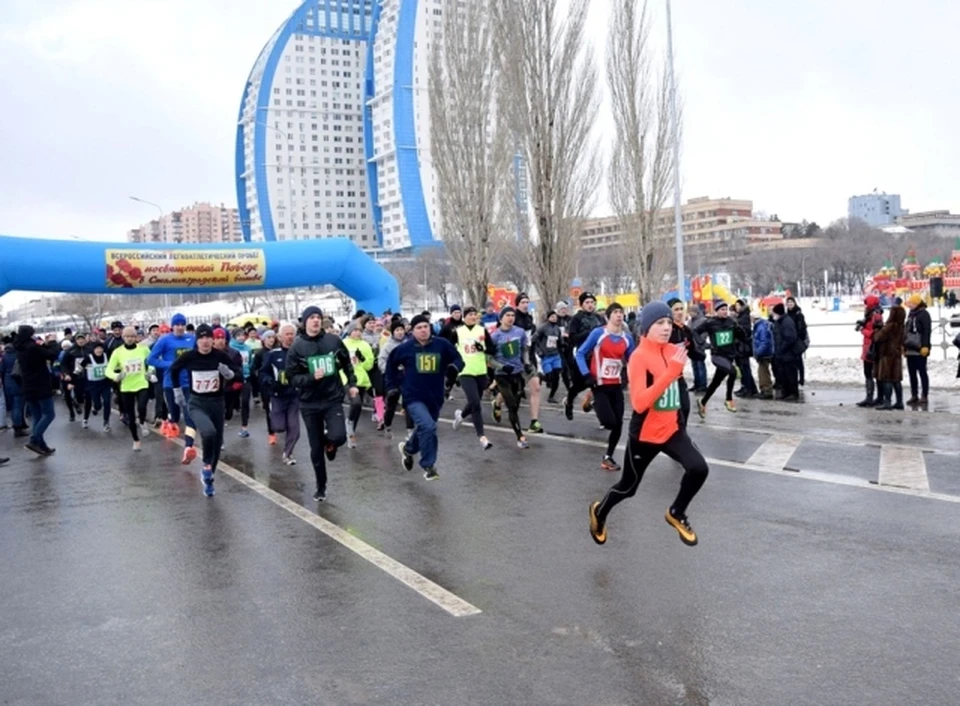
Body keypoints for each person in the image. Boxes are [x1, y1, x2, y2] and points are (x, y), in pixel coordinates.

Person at [588, 302, 709, 547]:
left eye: (668, 322)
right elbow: (641, 403)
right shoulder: (639, 358)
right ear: (646, 328)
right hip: (645, 434)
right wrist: (671, 372)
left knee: (699, 468)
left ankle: (676, 512)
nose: (666, 328)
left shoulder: (670, 351)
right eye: (659, 323)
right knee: (628, 488)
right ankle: (599, 512)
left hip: (672, 429)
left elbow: (674, 391)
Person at [286, 306, 357, 502]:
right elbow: (292, 377)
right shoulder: (297, 347)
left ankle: (331, 443)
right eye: (312, 318)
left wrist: (351, 384)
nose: (316, 321)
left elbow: (346, 363)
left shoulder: (333, 341)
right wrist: (310, 377)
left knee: (340, 436)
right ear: (305, 322)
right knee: (315, 449)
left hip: (332, 398)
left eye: (318, 317)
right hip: (309, 403)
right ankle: (321, 486)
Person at [385, 314, 464, 479]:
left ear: (430, 328)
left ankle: (408, 449)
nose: (423, 330)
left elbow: (458, 359)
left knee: (424, 428)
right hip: (413, 396)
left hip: (435, 396)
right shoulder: (404, 348)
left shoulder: (441, 345)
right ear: (412, 331)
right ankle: (429, 466)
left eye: (426, 326)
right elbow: (390, 366)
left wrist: (454, 368)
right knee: (428, 427)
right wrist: (392, 387)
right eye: (419, 328)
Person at [169, 324, 243, 496]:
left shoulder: (220, 356)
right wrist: (177, 391)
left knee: (217, 443)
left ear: (213, 339)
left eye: (208, 337)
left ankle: (208, 476)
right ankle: (206, 465)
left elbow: (239, 373)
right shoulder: (190, 356)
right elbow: (174, 370)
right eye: (201, 338)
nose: (205, 341)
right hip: (197, 403)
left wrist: (230, 375)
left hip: (217, 403)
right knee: (208, 432)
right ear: (197, 340)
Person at [576, 303, 635, 471]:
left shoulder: (627, 338)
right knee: (608, 422)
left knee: (618, 424)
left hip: (616, 384)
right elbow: (580, 353)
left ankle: (608, 457)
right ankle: (593, 401)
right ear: (608, 316)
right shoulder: (598, 333)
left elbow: (633, 360)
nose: (619, 315)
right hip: (599, 384)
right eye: (615, 312)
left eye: (621, 312)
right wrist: (586, 374)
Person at [147, 314, 198, 463]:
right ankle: (169, 419)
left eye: (183, 324)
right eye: (177, 325)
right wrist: (170, 365)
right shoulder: (164, 340)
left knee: (189, 415)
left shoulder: (191, 339)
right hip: (171, 384)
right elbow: (150, 359)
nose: (180, 327)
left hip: (188, 383)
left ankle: (188, 447)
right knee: (175, 416)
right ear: (172, 326)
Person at [695, 300, 748, 416]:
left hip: (729, 356)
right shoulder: (710, 323)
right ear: (717, 311)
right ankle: (729, 399)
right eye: (722, 309)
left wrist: (740, 332)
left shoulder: (731, 322)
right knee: (733, 372)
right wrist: (703, 344)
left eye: (726, 309)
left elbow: (743, 336)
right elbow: (695, 332)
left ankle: (702, 402)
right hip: (717, 356)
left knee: (716, 382)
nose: (725, 312)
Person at [451, 306, 494, 450]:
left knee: (474, 402)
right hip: (465, 372)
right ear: (464, 317)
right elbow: (449, 349)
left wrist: (484, 349)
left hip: (480, 372)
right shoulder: (457, 332)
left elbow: (492, 349)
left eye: (475, 314)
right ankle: (482, 437)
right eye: (470, 314)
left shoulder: (482, 330)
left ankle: (460, 416)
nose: (473, 317)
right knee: (475, 402)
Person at [13, 325, 59, 455]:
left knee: (37, 416)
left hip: (27, 385)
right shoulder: (33, 347)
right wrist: (51, 342)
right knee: (49, 414)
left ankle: (41, 445)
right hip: (41, 385)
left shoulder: (20, 347)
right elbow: (52, 355)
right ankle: (34, 440)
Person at [260, 324, 301, 464]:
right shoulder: (273, 354)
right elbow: (263, 372)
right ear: (280, 337)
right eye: (287, 334)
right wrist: (270, 381)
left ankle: (288, 454)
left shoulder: (299, 352)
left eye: (292, 334)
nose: (290, 337)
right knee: (279, 427)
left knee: (294, 427)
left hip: (294, 396)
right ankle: (275, 422)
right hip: (277, 395)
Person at [105, 326, 151, 450]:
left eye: (132, 336)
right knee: (130, 415)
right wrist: (116, 376)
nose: (129, 339)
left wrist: (150, 372)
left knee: (142, 406)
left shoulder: (143, 349)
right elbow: (108, 370)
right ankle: (136, 440)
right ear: (123, 337)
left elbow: (151, 362)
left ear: (136, 337)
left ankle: (142, 422)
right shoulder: (118, 352)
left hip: (142, 383)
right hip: (126, 386)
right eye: (127, 336)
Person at [564, 291, 606, 420]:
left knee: (599, 384)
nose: (590, 305)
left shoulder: (599, 318)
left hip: (597, 357)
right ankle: (569, 402)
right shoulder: (577, 319)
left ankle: (599, 412)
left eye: (592, 302)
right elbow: (572, 339)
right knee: (578, 386)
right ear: (581, 304)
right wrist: (589, 333)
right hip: (582, 356)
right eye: (587, 302)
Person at [667, 298, 705, 426]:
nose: (679, 312)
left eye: (681, 309)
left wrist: (702, 356)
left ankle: (681, 435)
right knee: (668, 413)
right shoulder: (666, 330)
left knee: (685, 408)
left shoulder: (686, 331)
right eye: (676, 310)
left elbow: (690, 350)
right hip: (664, 378)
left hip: (678, 376)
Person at [512, 293, 544, 434]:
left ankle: (534, 422)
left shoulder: (530, 319)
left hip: (528, 358)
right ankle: (498, 402)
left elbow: (532, 339)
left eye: (527, 302)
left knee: (536, 387)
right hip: (514, 357)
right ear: (517, 304)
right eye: (523, 302)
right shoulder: (512, 317)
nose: (525, 304)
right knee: (514, 391)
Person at [342, 324, 375, 449]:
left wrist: (362, 358)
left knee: (358, 406)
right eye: (355, 330)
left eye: (359, 330)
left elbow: (369, 365)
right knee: (355, 403)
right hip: (347, 379)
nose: (357, 333)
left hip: (361, 380)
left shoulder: (365, 345)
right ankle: (349, 424)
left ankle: (351, 432)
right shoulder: (343, 343)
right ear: (349, 332)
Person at [873, 304, 905, 410]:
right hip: (896, 354)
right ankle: (899, 401)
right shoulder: (901, 326)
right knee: (896, 379)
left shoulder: (889, 326)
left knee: (887, 378)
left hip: (887, 354)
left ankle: (887, 401)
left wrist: (877, 330)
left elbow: (877, 338)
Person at [855, 296, 885, 407]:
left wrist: (863, 330)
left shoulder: (876, 315)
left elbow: (875, 333)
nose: (865, 306)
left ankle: (875, 397)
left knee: (873, 373)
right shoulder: (870, 314)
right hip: (868, 347)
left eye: (867, 304)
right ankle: (871, 396)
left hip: (872, 347)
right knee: (868, 373)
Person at [904, 294, 932, 406]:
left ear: (916, 303)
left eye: (911, 303)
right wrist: (904, 346)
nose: (909, 305)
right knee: (912, 373)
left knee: (922, 372)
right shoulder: (911, 314)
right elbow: (906, 330)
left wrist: (925, 346)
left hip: (920, 348)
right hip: (910, 347)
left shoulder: (924, 314)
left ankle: (924, 395)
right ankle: (914, 395)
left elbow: (927, 331)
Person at [532, 310, 564, 404]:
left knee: (556, 376)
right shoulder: (543, 327)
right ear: (548, 317)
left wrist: (563, 344)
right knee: (550, 377)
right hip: (546, 356)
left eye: (555, 317)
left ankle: (551, 396)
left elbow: (559, 341)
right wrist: (539, 351)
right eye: (552, 317)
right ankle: (541, 376)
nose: (554, 318)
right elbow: (534, 339)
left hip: (556, 355)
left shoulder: (557, 329)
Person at [227, 328, 254, 437]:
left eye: (243, 335)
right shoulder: (230, 348)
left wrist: (247, 370)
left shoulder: (248, 348)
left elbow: (250, 362)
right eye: (238, 335)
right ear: (234, 337)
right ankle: (226, 416)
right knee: (230, 403)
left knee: (245, 402)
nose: (241, 337)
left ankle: (244, 427)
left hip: (245, 377)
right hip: (233, 379)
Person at [771, 303, 801, 401]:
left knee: (791, 374)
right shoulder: (779, 322)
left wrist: (781, 349)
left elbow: (790, 338)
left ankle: (793, 393)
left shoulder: (786, 322)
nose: (772, 315)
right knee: (784, 374)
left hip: (788, 354)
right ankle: (787, 392)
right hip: (782, 354)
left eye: (774, 313)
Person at [80, 340, 112, 431]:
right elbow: (79, 368)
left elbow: (113, 366)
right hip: (93, 385)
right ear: (93, 350)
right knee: (98, 405)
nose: (99, 350)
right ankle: (95, 407)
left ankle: (106, 423)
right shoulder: (88, 358)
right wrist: (72, 378)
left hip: (105, 383)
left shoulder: (106, 356)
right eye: (97, 348)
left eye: (101, 348)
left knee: (107, 402)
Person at [2, 334, 26, 436]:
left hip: (7, 382)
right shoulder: (18, 355)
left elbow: (1, 370)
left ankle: (18, 423)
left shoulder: (4, 356)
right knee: (18, 405)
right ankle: (18, 427)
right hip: (17, 381)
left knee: (12, 406)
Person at [733, 299, 758, 398]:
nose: (737, 307)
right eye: (736, 306)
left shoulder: (744, 317)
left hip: (742, 347)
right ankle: (747, 387)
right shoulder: (740, 316)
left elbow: (744, 332)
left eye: (738, 305)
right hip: (739, 346)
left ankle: (749, 388)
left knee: (745, 368)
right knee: (743, 368)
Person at [785, 297, 808, 387]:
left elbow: (802, 328)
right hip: (790, 340)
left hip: (797, 340)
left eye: (791, 302)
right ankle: (794, 378)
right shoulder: (787, 314)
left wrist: (798, 336)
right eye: (788, 302)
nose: (790, 304)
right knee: (793, 360)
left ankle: (801, 378)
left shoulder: (799, 314)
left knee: (799, 360)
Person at [752, 314, 775, 399]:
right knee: (763, 372)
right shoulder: (763, 326)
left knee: (763, 373)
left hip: (764, 354)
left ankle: (766, 390)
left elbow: (764, 342)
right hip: (765, 353)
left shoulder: (761, 327)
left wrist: (758, 352)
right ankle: (766, 389)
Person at [687, 303, 709, 392]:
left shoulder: (703, 321)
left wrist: (700, 341)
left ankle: (703, 385)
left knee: (700, 366)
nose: (691, 314)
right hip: (692, 347)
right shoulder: (690, 321)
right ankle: (696, 384)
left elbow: (705, 333)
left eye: (693, 312)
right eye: (690, 312)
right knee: (694, 366)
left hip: (699, 347)